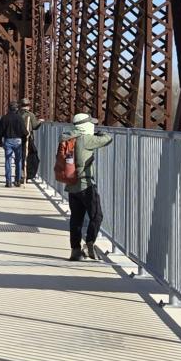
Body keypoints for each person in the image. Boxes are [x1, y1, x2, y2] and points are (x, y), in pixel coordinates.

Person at [63, 111, 113, 261]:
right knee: (97, 216)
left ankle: (75, 251)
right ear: (86, 126)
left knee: (76, 219)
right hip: (86, 184)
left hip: (71, 184)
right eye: (91, 123)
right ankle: (89, 244)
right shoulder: (86, 139)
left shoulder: (67, 137)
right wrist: (100, 133)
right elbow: (108, 139)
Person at [0, 100, 27, 187]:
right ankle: (17, 181)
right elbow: (24, 132)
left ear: (9, 109)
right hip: (18, 141)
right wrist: (24, 140)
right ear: (16, 109)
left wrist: (0, 141)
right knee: (18, 161)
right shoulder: (19, 118)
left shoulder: (4, 118)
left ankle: (8, 182)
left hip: (8, 141)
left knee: (8, 161)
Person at [20, 98, 40, 182]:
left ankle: (20, 175)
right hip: (28, 138)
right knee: (30, 157)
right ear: (28, 105)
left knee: (20, 157)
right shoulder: (30, 115)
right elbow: (35, 126)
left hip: (17, 138)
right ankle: (27, 175)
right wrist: (40, 121)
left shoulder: (17, 113)